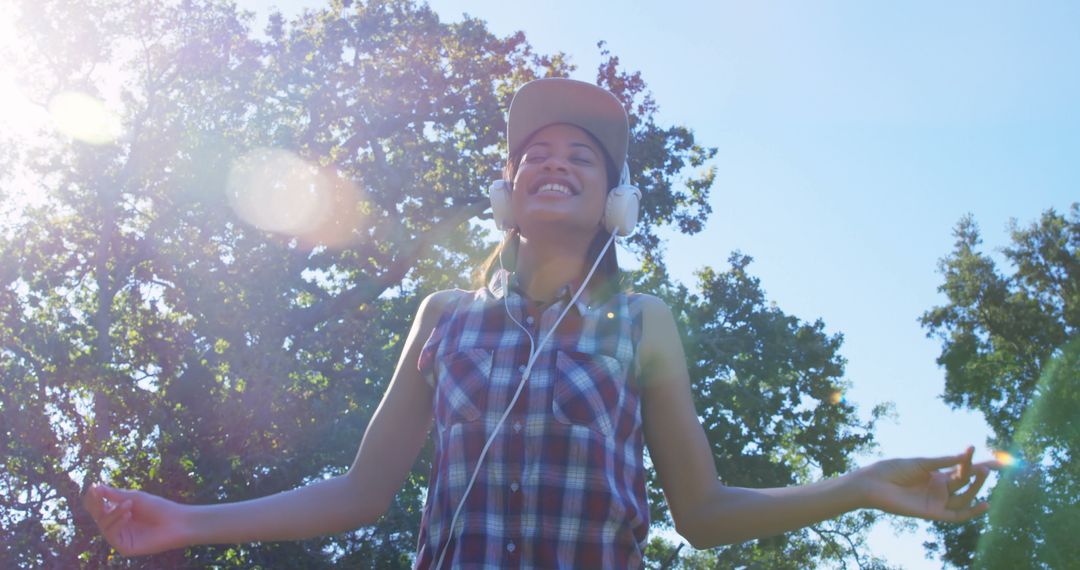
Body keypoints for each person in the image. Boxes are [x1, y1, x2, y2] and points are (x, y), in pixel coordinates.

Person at [84, 78, 999, 568]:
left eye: (581, 160)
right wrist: (187, 523)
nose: (553, 165)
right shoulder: (442, 317)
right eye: (534, 156)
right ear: (505, 194)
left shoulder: (646, 325)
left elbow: (705, 512)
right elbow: (359, 495)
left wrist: (862, 482)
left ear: (616, 204)